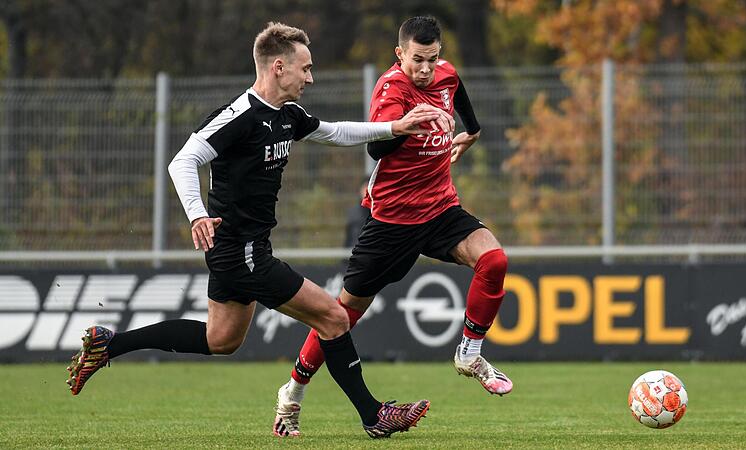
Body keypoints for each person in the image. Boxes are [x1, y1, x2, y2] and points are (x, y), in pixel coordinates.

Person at [65, 21, 455, 439]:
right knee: (333, 318)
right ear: (279, 68)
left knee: (222, 339)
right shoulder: (240, 116)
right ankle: (373, 415)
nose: (311, 77)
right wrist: (196, 213)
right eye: (305, 68)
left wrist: (394, 128)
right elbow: (182, 160)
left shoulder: (287, 115)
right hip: (243, 253)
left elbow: (335, 132)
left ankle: (112, 344)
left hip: (241, 251)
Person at [272, 16, 512, 437]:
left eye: (432, 59)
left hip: (440, 210)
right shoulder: (391, 90)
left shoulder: (445, 74)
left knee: (493, 259)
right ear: (400, 54)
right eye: (417, 59)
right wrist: (410, 124)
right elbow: (376, 146)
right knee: (340, 315)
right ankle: (292, 393)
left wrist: (471, 132)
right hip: (392, 222)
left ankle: (469, 354)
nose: (425, 69)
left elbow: (458, 93)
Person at [343, 178, 371, 248]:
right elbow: (348, 239)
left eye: (369, 188)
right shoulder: (353, 213)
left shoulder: (380, 213)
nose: (367, 191)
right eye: (365, 188)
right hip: (354, 253)